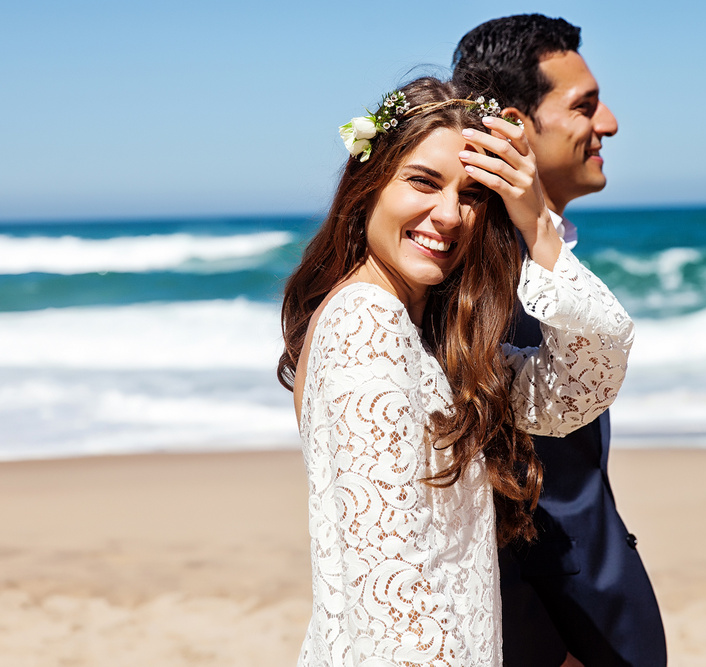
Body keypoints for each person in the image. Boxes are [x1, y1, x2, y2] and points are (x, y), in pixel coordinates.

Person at [277, 77, 635, 665]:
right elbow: (393, 589)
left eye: (471, 194)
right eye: (423, 181)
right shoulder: (365, 322)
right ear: (366, 187)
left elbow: (581, 382)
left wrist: (537, 226)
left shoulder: (429, 339)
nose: (448, 214)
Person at [453, 15, 668, 667]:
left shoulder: (539, 257)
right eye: (585, 106)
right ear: (517, 126)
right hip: (566, 638)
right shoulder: (481, 279)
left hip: (601, 613)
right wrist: (552, 646)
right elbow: (483, 489)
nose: (609, 123)